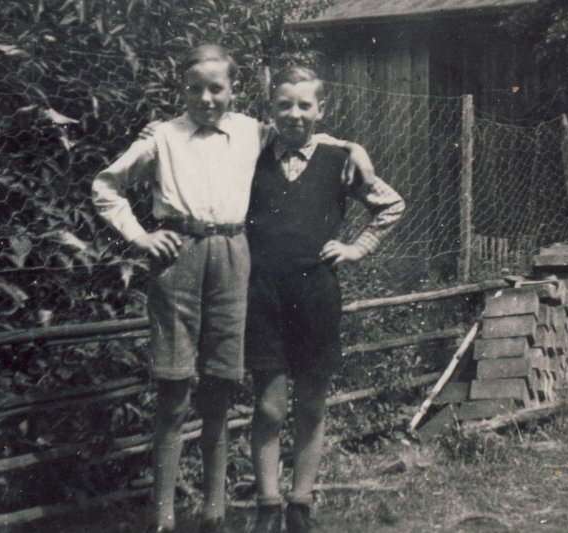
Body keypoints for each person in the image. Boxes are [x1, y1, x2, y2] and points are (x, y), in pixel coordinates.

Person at [92, 45, 375, 533]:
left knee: (220, 387)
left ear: (233, 90)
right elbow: (106, 186)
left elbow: (302, 133)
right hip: (178, 255)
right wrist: (140, 237)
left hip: (233, 256)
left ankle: (214, 512)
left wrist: (354, 148)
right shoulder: (163, 136)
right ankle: (163, 516)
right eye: (195, 88)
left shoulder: (250, 130)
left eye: (216, 88)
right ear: (181, 90)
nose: (206, 98)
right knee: (174, 388)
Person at [245, 66, 405, 533]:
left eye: (304, 105)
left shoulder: (339, 160)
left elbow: (392, 205)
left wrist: (356, 248)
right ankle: (267, 506)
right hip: (263, 295)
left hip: (316, 295)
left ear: (321, 109)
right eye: (284, 105)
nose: (294, 114)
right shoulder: (252, 154)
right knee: (269, 408)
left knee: (312, 405)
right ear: (271, 109)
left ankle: (300, 504)